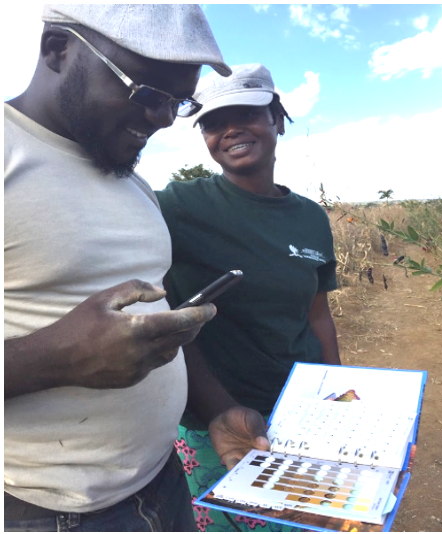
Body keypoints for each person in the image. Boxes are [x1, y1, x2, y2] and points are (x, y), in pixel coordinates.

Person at [4, 7, 270, 533]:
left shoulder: (130, 180)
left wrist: (217, 410)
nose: (166, 118)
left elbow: (158, 318)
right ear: (58, 49)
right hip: (45, 511)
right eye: (147, 92)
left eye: (179, 100)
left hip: (163, 485)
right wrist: (58, 357)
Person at [155, 63, 341, 532]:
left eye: (248, 113)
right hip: (213, 423)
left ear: (276, 118)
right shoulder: (177, 205)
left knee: (307, 518)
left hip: (299, 414)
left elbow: (317, 316)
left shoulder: (311, 219)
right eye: (214, 122)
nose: (231, 129)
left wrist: (336, 397)